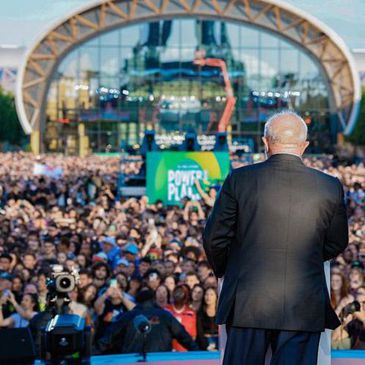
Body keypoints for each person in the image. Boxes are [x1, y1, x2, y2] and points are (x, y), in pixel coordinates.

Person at [203, 111, 349, 365]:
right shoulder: (329, 186)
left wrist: (228, 270)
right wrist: (309, 258)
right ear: (304, 146)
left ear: (265, 142)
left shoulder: (240, 179)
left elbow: (215, 237)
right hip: (303, 307)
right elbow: (337, 242)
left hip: (247, 303)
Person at [95, 287, 199, 354]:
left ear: (136, 302)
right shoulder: (166, 315)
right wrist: (200, 355)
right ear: (153, 300)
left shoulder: (127, 316)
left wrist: (89, 356)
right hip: (161, 361)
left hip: (132, 361)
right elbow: (186, 339)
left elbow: (106, 340)